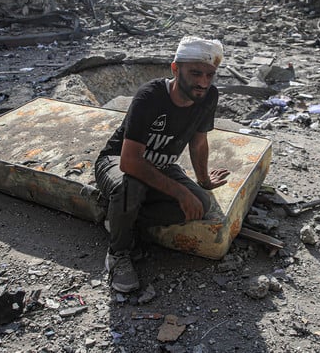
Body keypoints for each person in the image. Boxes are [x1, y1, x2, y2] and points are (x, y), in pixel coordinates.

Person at [94, 36, 231, 292]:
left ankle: (117, 216)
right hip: (117, 161)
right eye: (195, 73)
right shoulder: (150, 96)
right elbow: (129, 161)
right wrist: (179, 191)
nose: (203, 82)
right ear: (175, 69)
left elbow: (199, 142)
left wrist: (203, 181)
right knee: (130, 187)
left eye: (209, 75)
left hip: (162, 166)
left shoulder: (208, 96)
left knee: (199, 204)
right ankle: (118, 253)